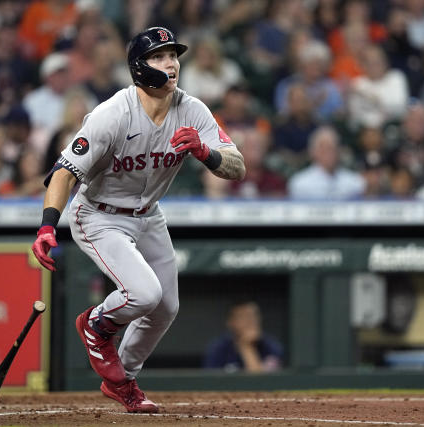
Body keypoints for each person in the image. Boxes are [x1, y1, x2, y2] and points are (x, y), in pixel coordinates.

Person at [31, 27, 245, 413]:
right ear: (139, 68)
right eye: (159, 56)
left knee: (165, 308)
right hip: (99, 214)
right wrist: (47, 226)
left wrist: (205, 153)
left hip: (148, 214)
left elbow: (237, 167)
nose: (171, 63)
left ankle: (123, 381)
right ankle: (95, 324)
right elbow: (64, 172)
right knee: (144, 294)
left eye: (173, 55)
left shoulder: (192, 109)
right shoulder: (112, 114)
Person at [203, 300, 283, 373]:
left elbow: (264, 383)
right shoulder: (218, 348)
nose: (250, 321)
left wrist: (246, 347)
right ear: (230, 322)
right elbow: (210, 385)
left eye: (254, 316)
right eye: (243, 317)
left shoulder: (270, 346)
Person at [288, 126, 365, 200]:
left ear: (339, 151)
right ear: (313, 152)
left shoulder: (354, 181)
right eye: (323, 148)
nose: (329, 153)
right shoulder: (300, 183)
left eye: (332, 148)